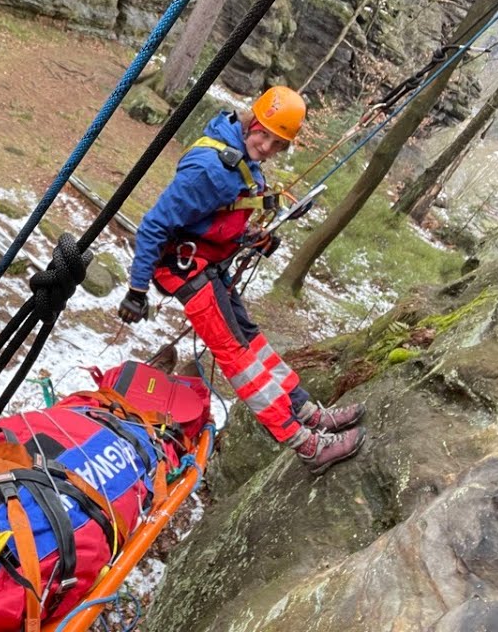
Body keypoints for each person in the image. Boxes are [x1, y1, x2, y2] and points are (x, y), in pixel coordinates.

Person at [117, 86, 367, 475]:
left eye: (277, 143)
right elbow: (153, 226)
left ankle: (309, 413)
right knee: (238, 358)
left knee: (253, 343)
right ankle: (306, 445)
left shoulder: (238, 157)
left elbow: (213, 220)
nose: (266, 147)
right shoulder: (209, 168)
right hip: (187, 270)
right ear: (251, 121)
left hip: (207, 264)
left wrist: (252, 238)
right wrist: (136, 289)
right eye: (262, 134)